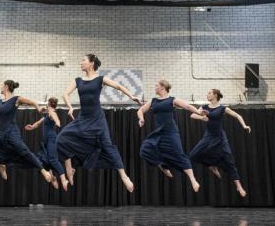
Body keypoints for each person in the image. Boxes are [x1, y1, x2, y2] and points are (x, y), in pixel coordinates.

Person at [56, 54, 142, 193]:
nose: (81, 62)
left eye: (83, 60)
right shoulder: (78, 80)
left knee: (108, 146)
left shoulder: (100, 79)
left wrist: (131, 96)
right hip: (83, 118)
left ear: (91, 63)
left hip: (97, 119)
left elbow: (118, 86)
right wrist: (70, 106)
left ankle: (124, 175)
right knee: (61, 139)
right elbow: (65, 94)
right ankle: (68, 167)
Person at [0, 80, 55, 185]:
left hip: (12, 132)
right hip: (3, 133)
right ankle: (1, 165)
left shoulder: (16, 99)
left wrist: (39, 108)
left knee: (24, 152)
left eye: (2, 85)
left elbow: (32, 102)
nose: (0, 87)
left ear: (6, 87)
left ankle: (43, 171)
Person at [137, 80, 205, 192]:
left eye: (156, 85)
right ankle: (162, 165)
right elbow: (140, 110)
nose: (155, 87)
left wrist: (199, 113)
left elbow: (187, 107)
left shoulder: (172, 100)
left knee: (179, 154)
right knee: (145, 149)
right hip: (159, 132)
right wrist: (141, 119)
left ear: (163, 87)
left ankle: (193, 180)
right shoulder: (153, 101)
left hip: (171, 131)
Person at [189, 89, 251, 197]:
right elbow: (193, 115)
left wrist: (244, 125)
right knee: (193, 155)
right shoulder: (204, 106)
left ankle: (239, 186)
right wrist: (202, 118)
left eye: (209, 93)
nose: (207, 94)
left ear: (215, 95)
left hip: (220, 138)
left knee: (229, 161)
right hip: (209, 136)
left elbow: (237, 116)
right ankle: (212, 165)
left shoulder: (222, 108)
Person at [25, 97, 68, 190]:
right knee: (44, 160)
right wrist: (31, 127)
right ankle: (52, 177)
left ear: (49, 104)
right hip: (46, 141)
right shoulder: (47, 115)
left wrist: (57, 122)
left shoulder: (52, 112)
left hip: (51, 139)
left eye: (47, 103)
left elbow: (57, 120)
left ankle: (64, 179)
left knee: (53, 159)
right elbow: (38, 123)